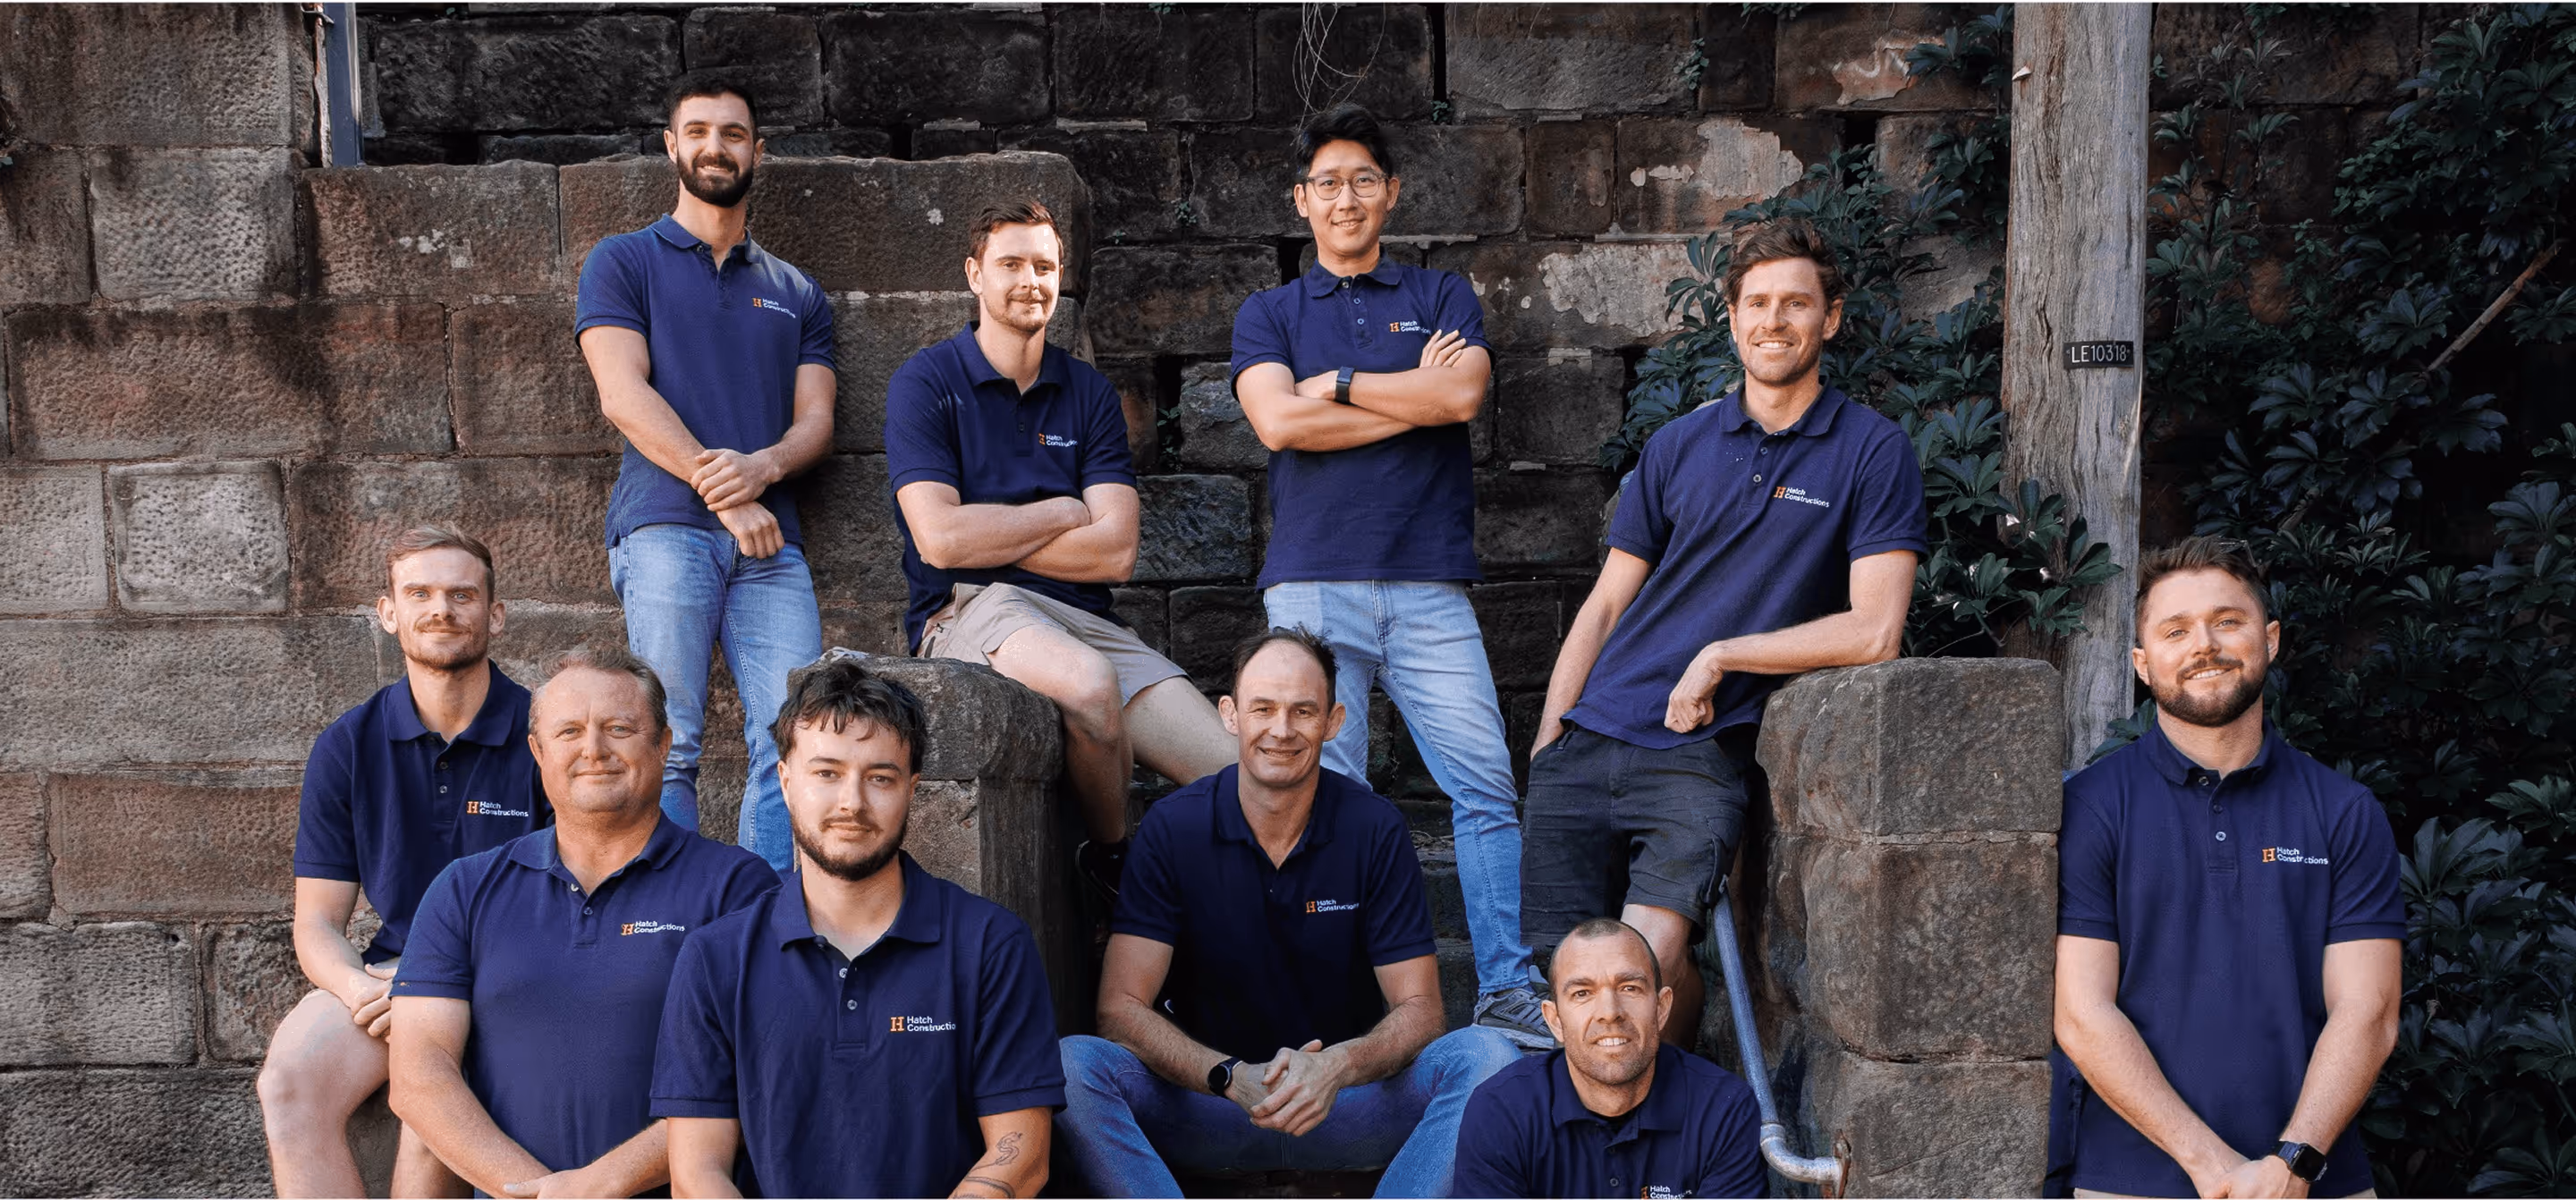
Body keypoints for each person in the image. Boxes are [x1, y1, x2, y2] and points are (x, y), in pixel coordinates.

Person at [1524, 216, 1927, 1045]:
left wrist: (1722, 655)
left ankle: (1673, 1101)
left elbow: (1876, 630)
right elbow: (1605, 605)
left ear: (1831, 318)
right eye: (1758, 303)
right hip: (1592, 733)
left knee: (1642, 965)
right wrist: (1549, 738)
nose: (1774, 320)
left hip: (1702, 747)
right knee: (1570, 979)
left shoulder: (1873, 451)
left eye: (1796, 303)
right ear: (1734, 318)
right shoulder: (1677, 445)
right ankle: (1651, 1102)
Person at [1228, 102, 1550, 1048]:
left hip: (1427, 584)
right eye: (1327, 182)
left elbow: (1463, 392)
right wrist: (1413, 396)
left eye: (1364, 179)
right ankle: (1332, 1003)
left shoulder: (1442, 294)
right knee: (1316, 798)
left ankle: (1505, 986)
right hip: (1312, 586)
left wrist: (1337, 386)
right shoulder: (1270, 313)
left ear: (1393, 192)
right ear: (1301, 200)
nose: (1346, 198)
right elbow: (1278, 423)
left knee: (1485, 785)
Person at [1056, 629, 1522, 1198]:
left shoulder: (1373, 827)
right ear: (1230, 715)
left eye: (1303, 711)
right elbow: (1119, 1009)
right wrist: (1229, 1075)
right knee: (1073, 1065)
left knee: (1488, 1056)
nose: (1281, 729)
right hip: (1210, 1106)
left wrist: (1336, 1067)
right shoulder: (1173, 827)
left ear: (1334, 721)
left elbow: (1422, 1012)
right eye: (1263, 708)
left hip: (1344, 1107)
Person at [887, 199, 1233, 896]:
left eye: (1044, 266)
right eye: (1011, 264)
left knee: (1238, 775)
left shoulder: (1088, 393)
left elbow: (1115, 553)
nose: (1030, 281)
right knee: (1089, 685)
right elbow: (940, 541)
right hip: (971, 607)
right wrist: (1061, 510)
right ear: (975, 274)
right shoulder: (926, 382)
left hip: (1084, 617)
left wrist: (986, 533)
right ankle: (1111, 861)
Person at [2054, 537, 2402, 1199]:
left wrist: (2293, 1163)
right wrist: (2213, 1167)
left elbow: (2370, 1011)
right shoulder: (2092, 809)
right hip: (2132, 1183)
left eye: (2227, 621)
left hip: (2317, 1181)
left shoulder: (2343, 811)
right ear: (2142, 663)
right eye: (2175, 631)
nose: (2204, 646)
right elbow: (2082, 1014)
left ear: (2270, 640)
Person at [654, 658, 1063, 1199]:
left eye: (880, 778)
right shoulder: (716, 958)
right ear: (786, 781)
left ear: (911, 789)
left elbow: (1021, 1156)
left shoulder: (990, 944)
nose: (853, 802)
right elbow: (697, 1174)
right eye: (827, 773)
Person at [386, 645, 777, 1197]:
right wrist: (538, 1192)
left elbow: (755, 1074)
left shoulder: (736, 887)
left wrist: (597, 1186)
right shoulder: (465, 889)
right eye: (569, 731)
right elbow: (420, 1074)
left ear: (663, 744)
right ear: (537, 750)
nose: (594, 749)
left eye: (619, 729)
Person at [576, 70, 835, 870]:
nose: (714, 147)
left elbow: (817, 424)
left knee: (794, 736)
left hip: (771, 545)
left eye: (732, 134)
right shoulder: (623, 261)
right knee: (671, 739)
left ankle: (766, 919)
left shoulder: (798, 291)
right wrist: (727, 494)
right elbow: (622, 394)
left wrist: (764, 467)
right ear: (671, 146)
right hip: (664, 529)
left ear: (758, 150)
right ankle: (676, 921)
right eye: (697, 132)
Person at [259, 525, 543, 1198]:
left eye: (461, 594)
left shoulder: (544, 732)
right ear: (388, 613)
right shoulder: (348, 744)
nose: (441, 609)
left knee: (431, 1100)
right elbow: (317, 924)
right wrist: (360, 990)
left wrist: (438, 994)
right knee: (288, 1083)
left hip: (516, 976)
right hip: (393, 975)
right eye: (420, 594)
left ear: (495, 615)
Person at [1454, 918, 1765, 1198]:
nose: (1609, 1012)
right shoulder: (1501, 1111)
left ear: (1661, 1008)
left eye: (1629, 988)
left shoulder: (1723, 1110)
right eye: (1582, 993)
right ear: (1554, 1020)